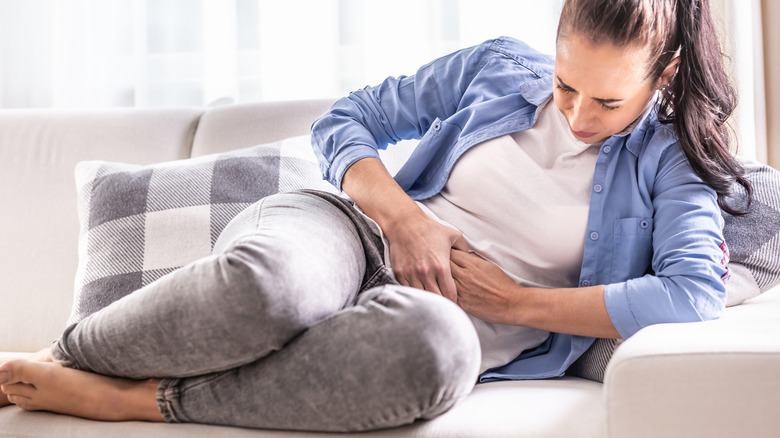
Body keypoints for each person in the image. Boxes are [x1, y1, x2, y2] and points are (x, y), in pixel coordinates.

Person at [0, 0, 750, 432]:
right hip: (354, 236)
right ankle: (65, 355)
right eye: (564, 85)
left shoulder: (675, 163)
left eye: (607, 101)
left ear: (666, 74)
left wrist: (514, 302)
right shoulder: (495, 67)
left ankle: (143, 400)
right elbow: (347, 121)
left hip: (445, 323)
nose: (578, 113)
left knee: (435, 357)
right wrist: (403, 219)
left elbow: (689, 295)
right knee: (270, 287)